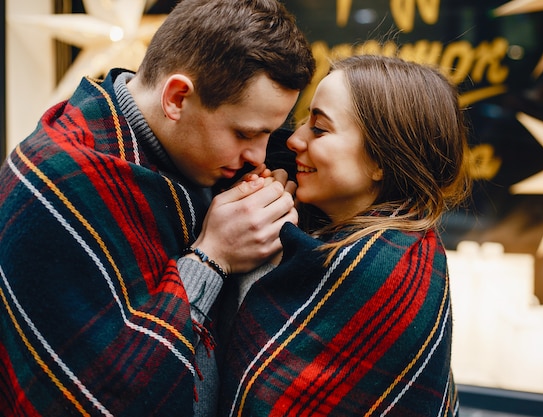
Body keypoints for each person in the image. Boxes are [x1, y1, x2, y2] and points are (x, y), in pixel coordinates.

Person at [0, 0, 314, 416]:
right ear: (177, 97)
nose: (259, 156)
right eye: (244, 133)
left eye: (269, 134)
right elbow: (102, 396)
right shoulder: (54, 179)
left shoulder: (193, 160)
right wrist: (212, 257)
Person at [218, 55, 471, 417]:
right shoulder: (370, 237)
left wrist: (253, 255)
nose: (294, 140)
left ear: (380, 161)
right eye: (303, 120)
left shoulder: (382, 268)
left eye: (319, 129)